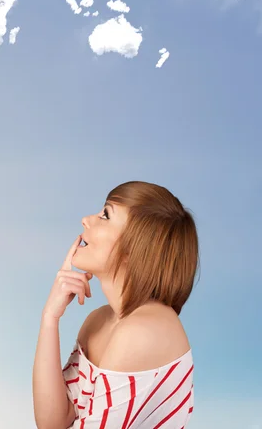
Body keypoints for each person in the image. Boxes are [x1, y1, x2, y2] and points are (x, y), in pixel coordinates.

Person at [32, 181, 199, 429]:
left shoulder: (143, 330)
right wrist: (49, 319)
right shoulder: (99, 321)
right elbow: (54, 422)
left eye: (105, 215)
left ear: (135, 247)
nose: (86, 220)